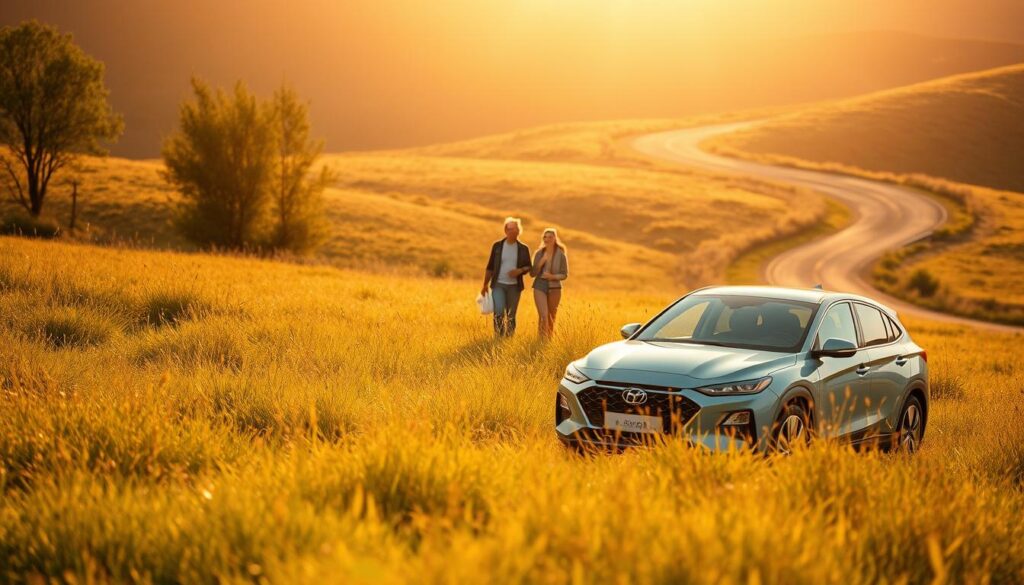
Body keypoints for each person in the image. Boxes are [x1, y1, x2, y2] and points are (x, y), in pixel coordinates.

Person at [481, 217, 533, 337]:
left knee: (511, 314)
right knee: (499, 311)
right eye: (509, 229)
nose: (511, 231)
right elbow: (490, 267)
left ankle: (509, 338)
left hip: (514, 287)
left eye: (514, 229)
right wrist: (484, 285)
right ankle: (499, 337)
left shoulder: (523, 248)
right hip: (498, 284)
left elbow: (529, 267)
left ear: (518, 231)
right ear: (505, 230)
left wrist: (519, 270)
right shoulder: (497, 246)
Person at [531, 227, 569, 338]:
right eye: (545, 237)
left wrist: (552, 276)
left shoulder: (561, 254)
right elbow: (532, 273)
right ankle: (541, 340)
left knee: (552, 316)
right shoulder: (539, 253)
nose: (547, 239)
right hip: (539, 286)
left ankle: (548, 340)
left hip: (555, 288)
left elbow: (564, 274)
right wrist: (541, 262)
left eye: (550, 237)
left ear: (555, 238)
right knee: (543, 315)